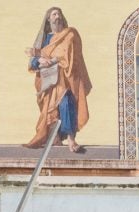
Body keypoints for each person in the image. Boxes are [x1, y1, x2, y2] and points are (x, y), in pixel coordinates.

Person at [24, 8, 90, 153]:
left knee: (67, 103)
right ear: (48, 19)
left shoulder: (69, 34)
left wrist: (54, 60)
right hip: (48, 81)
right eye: (54, 14)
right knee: (50, 110)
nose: (57, 16)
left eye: (59, 14)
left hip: (66, 78)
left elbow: (72, 55)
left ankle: (71, 139)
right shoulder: (44, 39)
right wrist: (40, 60)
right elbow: (33, 61)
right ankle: (55, 138)